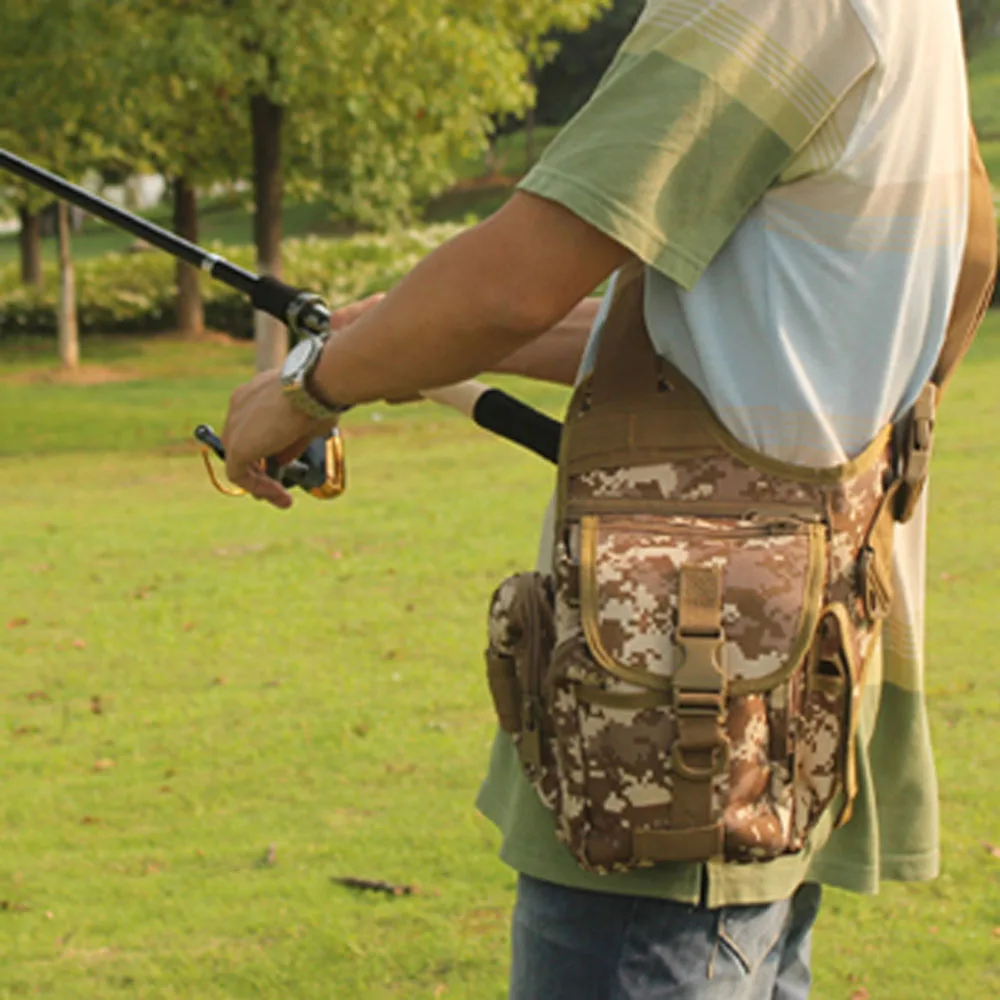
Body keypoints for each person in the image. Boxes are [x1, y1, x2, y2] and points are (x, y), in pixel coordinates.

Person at [221, 1, 995, 997]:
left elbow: (515, 281)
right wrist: (399, 340)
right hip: (788, 712)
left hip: (670, 749)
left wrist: (307, 388)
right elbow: (772, 313)